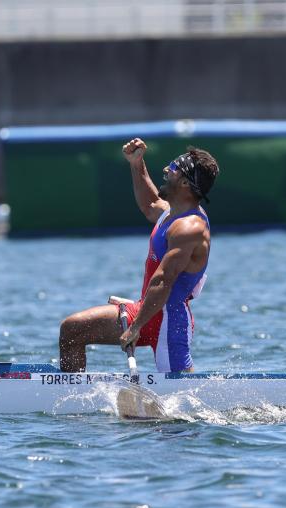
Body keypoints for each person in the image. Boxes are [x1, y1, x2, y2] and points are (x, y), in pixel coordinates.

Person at [59, 138, 220, 373]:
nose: (166, 170)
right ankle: (69, 395)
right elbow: (151, 203)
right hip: (150, 310)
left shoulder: (189, 227)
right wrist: (137, 163)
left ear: (185, 182)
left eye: (173, 169)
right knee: (73, 330)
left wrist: (136, 326)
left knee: (184, 400)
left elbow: (164, 280)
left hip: (168, 321)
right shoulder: (172, 213)